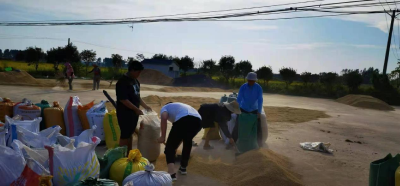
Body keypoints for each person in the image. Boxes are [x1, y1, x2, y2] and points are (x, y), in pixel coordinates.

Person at [157, 102, 202, 181]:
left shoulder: (165, 107)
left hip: (184, 119)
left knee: (169, 148)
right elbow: (180, 134)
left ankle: (171, 174)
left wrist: (163, 137)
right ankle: (183, 168)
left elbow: (164, 118)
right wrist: (175, 146)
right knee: (187, 142)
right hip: (198, 122)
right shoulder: (180, 107)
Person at [116, 61, 152, 153]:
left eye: (140, 72)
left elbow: (137, 96)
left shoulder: (135, 81)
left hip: (134, 113)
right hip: (125, 113)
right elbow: (123, 99)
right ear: (132, 70)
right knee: (125, 135)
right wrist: (136, 109)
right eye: (138, 72)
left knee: (130, 133)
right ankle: (122, 156)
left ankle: (129, 154)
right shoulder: (122, 82)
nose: (139, 74)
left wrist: (145, 106)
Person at [234, 72, 264, 148]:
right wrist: (237, 109)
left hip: (254, 109)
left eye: (252, 81)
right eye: (249, 80)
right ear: (247, 79)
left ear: (255, 81)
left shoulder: (258, 88)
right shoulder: (243, 87)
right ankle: (233, 142)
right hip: (244, 108)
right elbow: (239, 98)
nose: (251, 82)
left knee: (257, 126)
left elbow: (260, 100)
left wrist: (259, 112)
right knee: (237, 124)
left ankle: (259, 143)